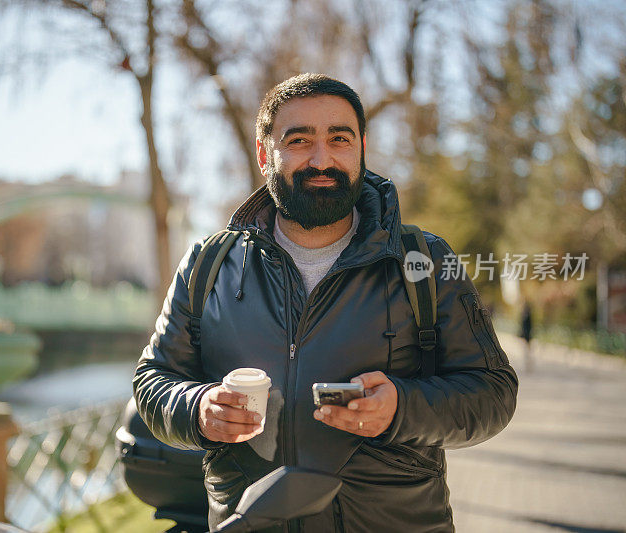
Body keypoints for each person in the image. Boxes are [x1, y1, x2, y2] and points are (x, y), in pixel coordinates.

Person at [133, 73, 518, 532]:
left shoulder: (424, 260)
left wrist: (402, 408)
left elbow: (494, 392)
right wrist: (198, 409)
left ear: (361, 148)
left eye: (339, 139)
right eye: (298, 141)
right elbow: (152, 381)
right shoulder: (206, 265)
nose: (322, 159)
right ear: (264, 154)